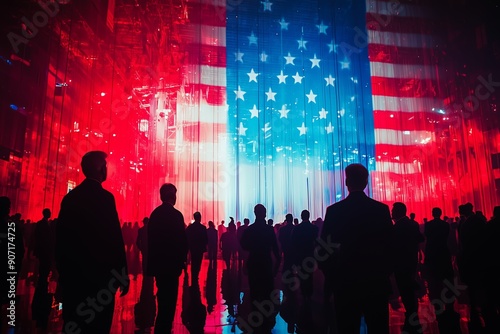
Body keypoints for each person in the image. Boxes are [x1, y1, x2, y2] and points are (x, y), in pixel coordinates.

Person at [55, 151, 129, 333]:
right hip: (101, 280)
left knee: (74, 324)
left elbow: (61, 240)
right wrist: (122, 274)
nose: (106, 169)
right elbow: (115, 239)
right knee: (99, 325)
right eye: (104, 166)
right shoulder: (106, 199)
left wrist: (61, 277)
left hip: (74, 279)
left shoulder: (70, 199)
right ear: (99, 169)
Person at [321, 163, 394, 333]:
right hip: (375, 283)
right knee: (378, 328)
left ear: (347, 183)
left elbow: (324, 250)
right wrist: (384, 273)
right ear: (366, 183)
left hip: (345, 284)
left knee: (347, 328)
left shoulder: (334, 211)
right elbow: (391, 246)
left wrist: (333, 277)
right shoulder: (381, 210)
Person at [147, 183, 188, 334]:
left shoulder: (155, 214)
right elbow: (182, 242)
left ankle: (161, 328)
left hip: (159, 265)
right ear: (173, 196)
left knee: (162, 297)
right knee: (169, 302)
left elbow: (151, 240)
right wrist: (182, 261)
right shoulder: (177, 216)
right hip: (172, 266)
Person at [240, 204, 281, 333]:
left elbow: (243, 245)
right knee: (267, 293)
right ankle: (266, 321)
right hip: (266, 264)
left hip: (254, 263)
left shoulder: (250, 229)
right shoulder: (269, 230)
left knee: (254, 292)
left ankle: (255, 319)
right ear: (264, 213)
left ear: (255, 213)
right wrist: (276, 267)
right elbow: (276, 249)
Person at [391, 202, 424, 333]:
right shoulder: (412, 224)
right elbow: (420, 238)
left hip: (401, 263)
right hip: (411, 261)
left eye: (393, 211)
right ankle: (412, 313)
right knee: (409, 287)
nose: (392, 213)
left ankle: (411, 314)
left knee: (405, 288)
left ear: (398, 212)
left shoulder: (396, 227)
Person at [290, 209, 319, 299]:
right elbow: (317, 242)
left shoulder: (297, 228)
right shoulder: (314, 228)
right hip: (310, 254)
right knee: (309, 274)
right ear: (309, 216)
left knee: (301, 274)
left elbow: (293, 242)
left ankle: (303, 292)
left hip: (300, 255)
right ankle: (309, 292)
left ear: (301, 217)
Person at [186, 211, 208, 286]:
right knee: (198, 262)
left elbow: (186, 237)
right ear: (200, 218)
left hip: (192, 247)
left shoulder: (190, 227)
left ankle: (194, 275)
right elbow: (205, 239)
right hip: (200, 248)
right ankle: (196, 275)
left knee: (193, 261)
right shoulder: (203, 228)